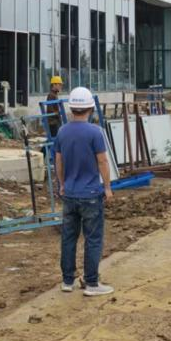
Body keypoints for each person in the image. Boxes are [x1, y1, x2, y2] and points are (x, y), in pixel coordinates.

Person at [55, 86, 114, 296]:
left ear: (71, 108)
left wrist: (62, 184)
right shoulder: (94, 132)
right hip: (90, 195)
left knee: (68, 238)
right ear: (90, 108)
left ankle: (67, 281)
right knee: (93, 239)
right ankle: (91, 283)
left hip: (70, 194)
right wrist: (107, 187)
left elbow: (58, 161)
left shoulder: (62, 131)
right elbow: (102, 161)